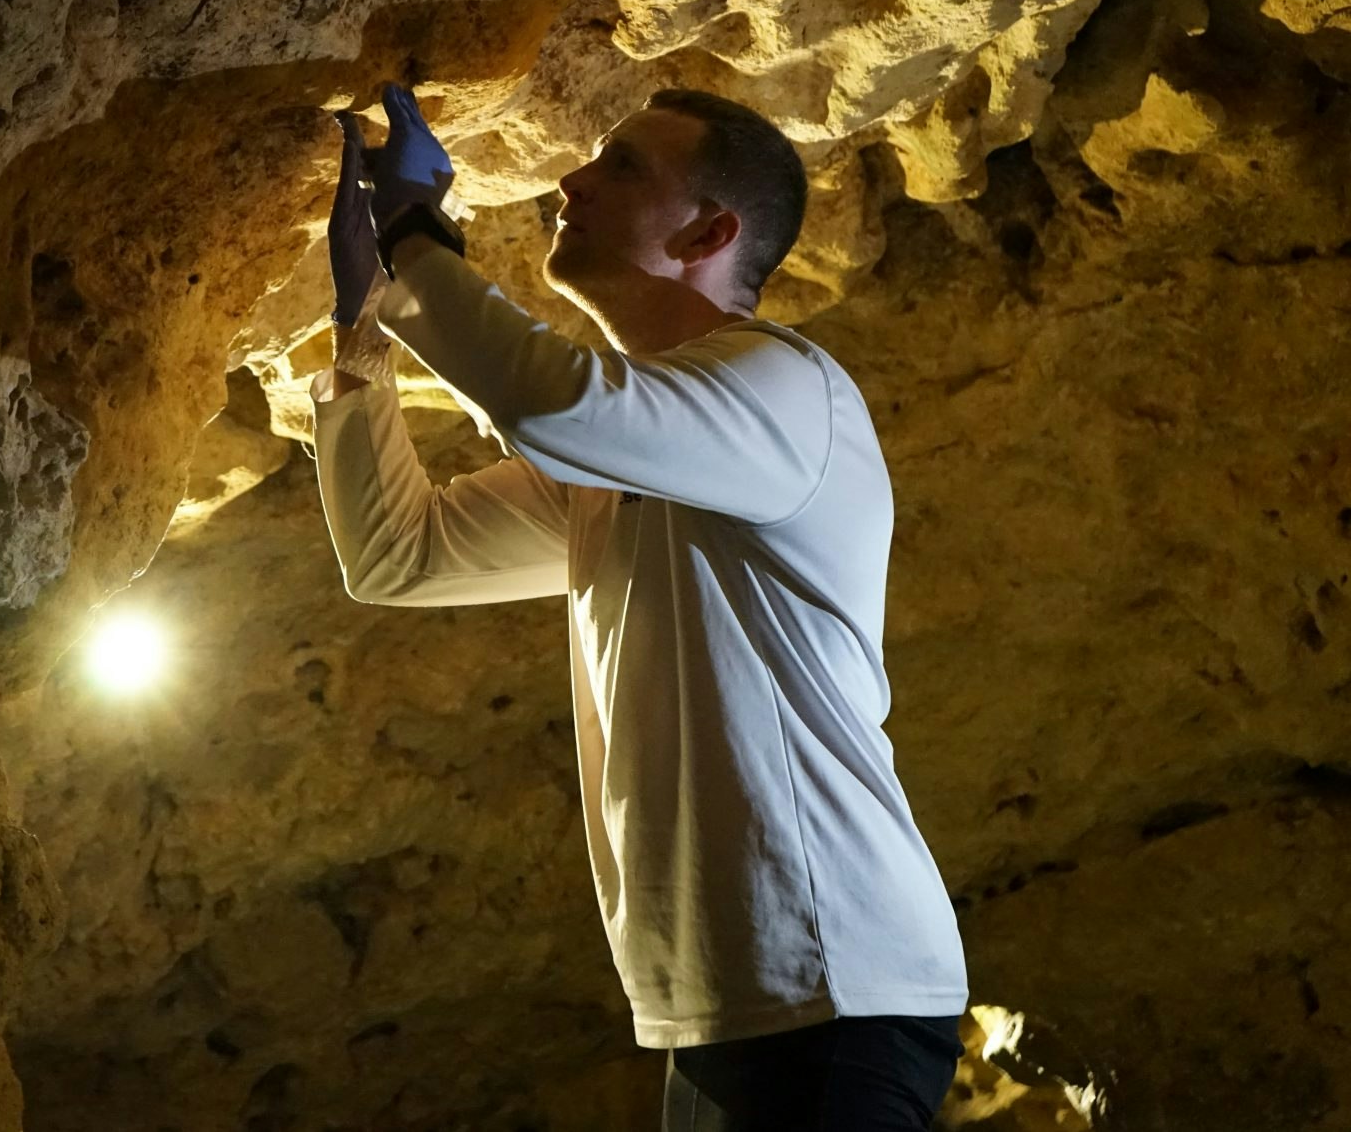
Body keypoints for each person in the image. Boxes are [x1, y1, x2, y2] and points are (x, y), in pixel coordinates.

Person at [308, 83, 969, 1131]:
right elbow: (400, 553)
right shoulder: (620, 465)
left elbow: (549, 401)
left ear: (708, 232)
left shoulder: (787, 389)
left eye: (619, 167)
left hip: (836, 977)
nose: (567, 181)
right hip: (711, 1008)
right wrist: (360, 335)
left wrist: (413, 236)